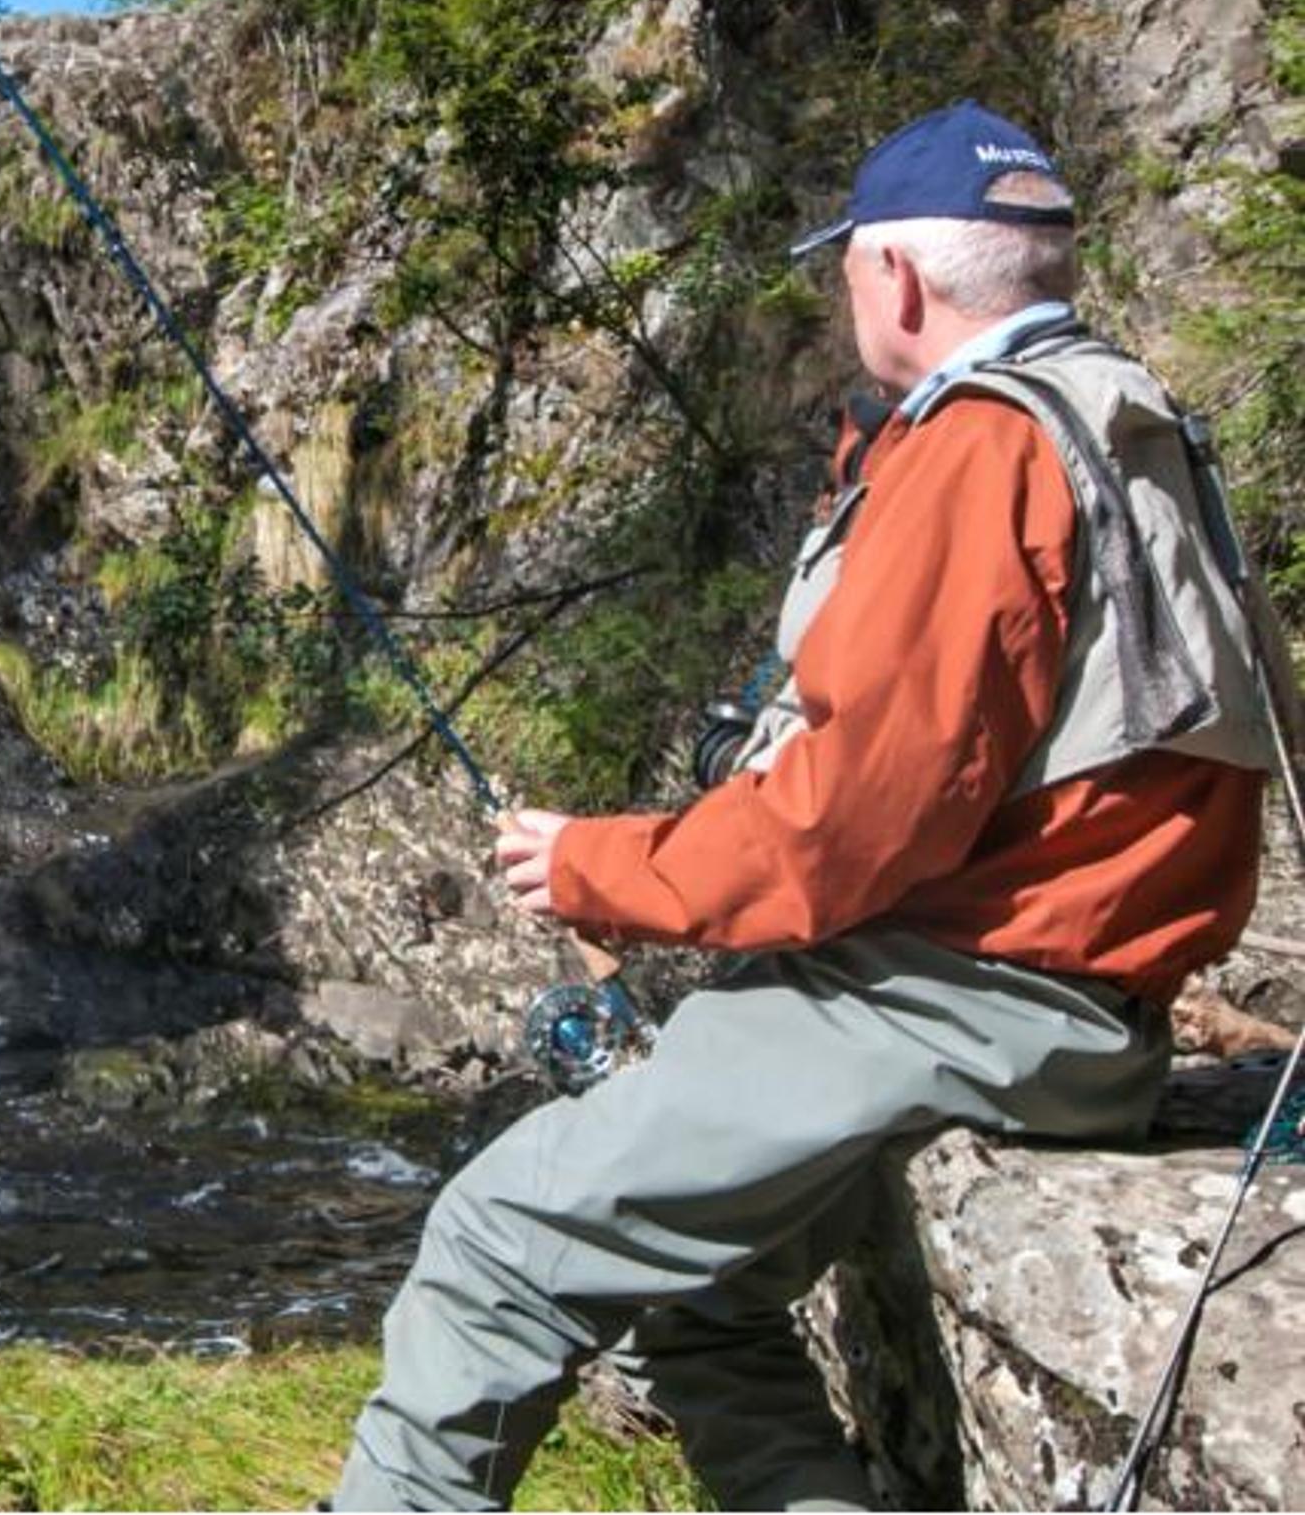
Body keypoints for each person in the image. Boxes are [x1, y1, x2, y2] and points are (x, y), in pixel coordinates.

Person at [331, 99, 1280, 1512]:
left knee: (492, 1243)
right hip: (1080, 1008)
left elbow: (850, 823)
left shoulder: (982, 453)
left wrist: (601, 864)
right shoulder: (1134, 419)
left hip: (955, 997)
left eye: (846, 266)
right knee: (700, 1296)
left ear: (893, 275)